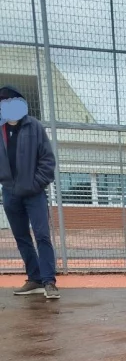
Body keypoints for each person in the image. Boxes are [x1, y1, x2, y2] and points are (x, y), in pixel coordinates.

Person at [0, 85, 59, 298]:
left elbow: (47, 160)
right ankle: (34, 279)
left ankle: (49, 281)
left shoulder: (34, 127)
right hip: (9, 192)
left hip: (34, 192)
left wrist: (36, 184)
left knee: (42, 235)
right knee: (21, 237)